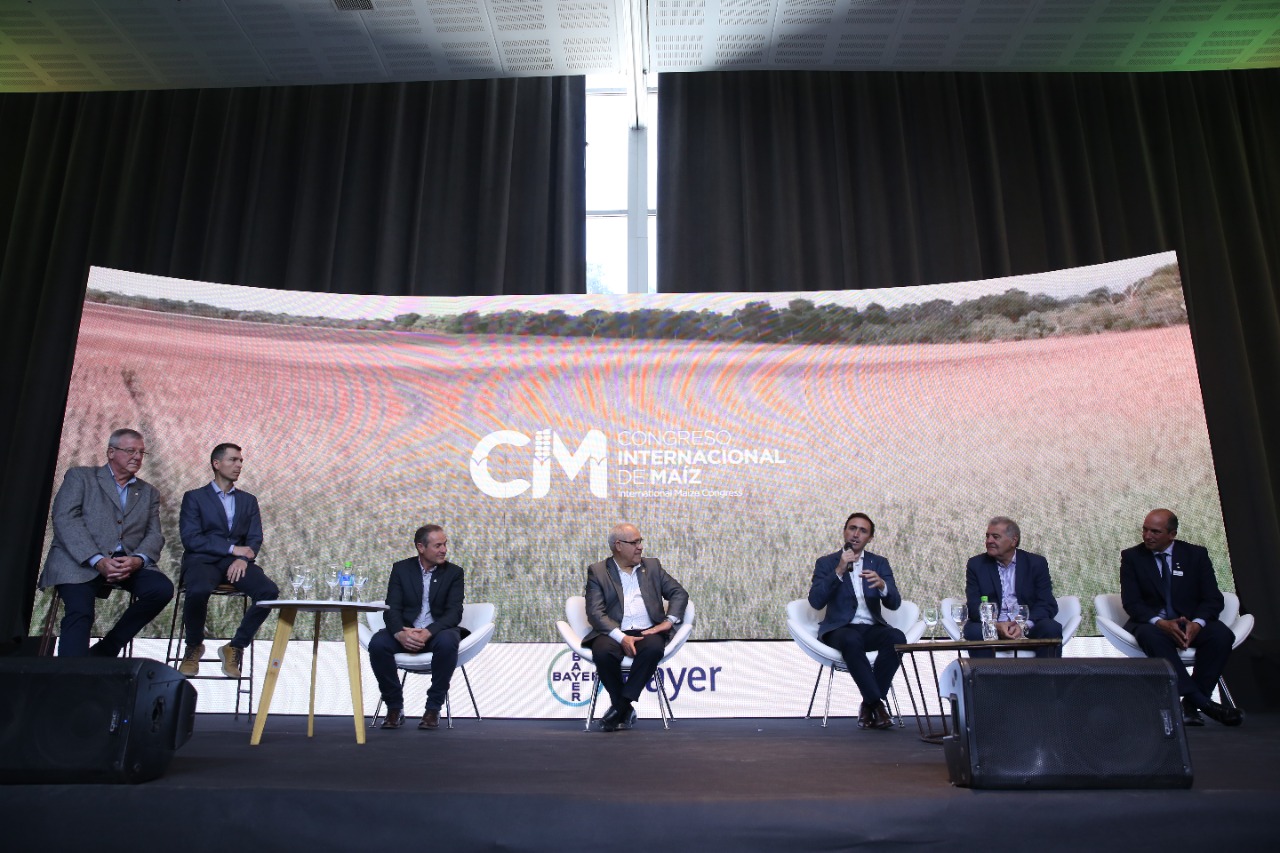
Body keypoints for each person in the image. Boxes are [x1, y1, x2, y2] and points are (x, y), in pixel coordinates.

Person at [38, 428, 173, 657]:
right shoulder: (80, 477)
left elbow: (154, 535)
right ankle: (69, 678)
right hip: (79, 560)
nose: (137, 457)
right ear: (111, 452)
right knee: (80, 612)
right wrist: (97, 559)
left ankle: (105, 651)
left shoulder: (149, 492)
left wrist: (138, 560)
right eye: (130, 451)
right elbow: (65, 519)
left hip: (125, 562)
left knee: (161, 589)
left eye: (141, 453)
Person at [1120, 509, 1242, 726]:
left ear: (1172, 534)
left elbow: (1213, 599)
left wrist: (1198, 623)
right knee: (1151, 636)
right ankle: (1203, 704)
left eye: (1155, 531)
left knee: (1221, 635)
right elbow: (1132, 603)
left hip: (1190, 622)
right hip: (1155, 624)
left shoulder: (1196, 555)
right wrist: (1161, 623)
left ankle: (1191, 705)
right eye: (1145, 530)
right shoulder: (1132, 557)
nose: (1148, 536)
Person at [176, 443, 279, 679]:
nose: (239, 465)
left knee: (269, 592)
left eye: (240, 461)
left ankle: (235, 646)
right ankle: (193, 647)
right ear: (216, 463)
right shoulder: (194, 498)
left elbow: (254, 538)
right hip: (202, 561)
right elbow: (191, 539)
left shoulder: (248, 500)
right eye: (233, 460)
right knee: (199, 588)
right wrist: (233, 549)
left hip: (237, 564)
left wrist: (242, 558)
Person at [582, 523, 689, 732]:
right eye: (635, 542)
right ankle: (624, 709)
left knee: (653, 649)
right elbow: (595, 613)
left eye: (640, 541)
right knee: (602, 652)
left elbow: (679, 593)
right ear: (618, 545)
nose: (640, 547)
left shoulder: (652, 566)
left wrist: (668, 622)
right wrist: (621, 638)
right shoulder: (598, 571)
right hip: (613, 631)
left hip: (648, 630)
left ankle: (620, 707)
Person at [808, 512, 905, 729]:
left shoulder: (879, 563)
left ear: (870, 538)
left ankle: (869, 703)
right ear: (844, 531)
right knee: (851, 639)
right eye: (852, 528)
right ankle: (878, 705)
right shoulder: (826, 563)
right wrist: (839, 570)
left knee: (897, 637)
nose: (856, 534)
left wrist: (882, 586)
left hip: (870, 628)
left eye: (863, 531)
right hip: (839, 629)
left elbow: (895, 603)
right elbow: (815, 601)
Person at [368, 525, 465, 730]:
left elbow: (454, 613)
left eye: (445, 544)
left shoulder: (454, 572)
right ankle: (394, 707)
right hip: (406, 632)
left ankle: (433, 709)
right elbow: (391, 608)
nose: (444, 550)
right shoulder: (401, 569)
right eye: (438, 545)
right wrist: (400, 633)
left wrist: (429, 631)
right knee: (378, 643)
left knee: (449, 641)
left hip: (436, 633)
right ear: (421, 547)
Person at [963, 516, 1062, 657]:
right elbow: (974, 607)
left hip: (1026, 626)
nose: (989, 541)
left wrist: (1024, 625)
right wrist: (996, 626)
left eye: (995, 537)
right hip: (994, 626)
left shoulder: (1036, 563)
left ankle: (1046, 679)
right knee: (973, 631)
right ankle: (985, 678)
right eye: (987, 536)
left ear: (1013, 541)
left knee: (1051, 628)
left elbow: (1047, 604)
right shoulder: (976, 565)